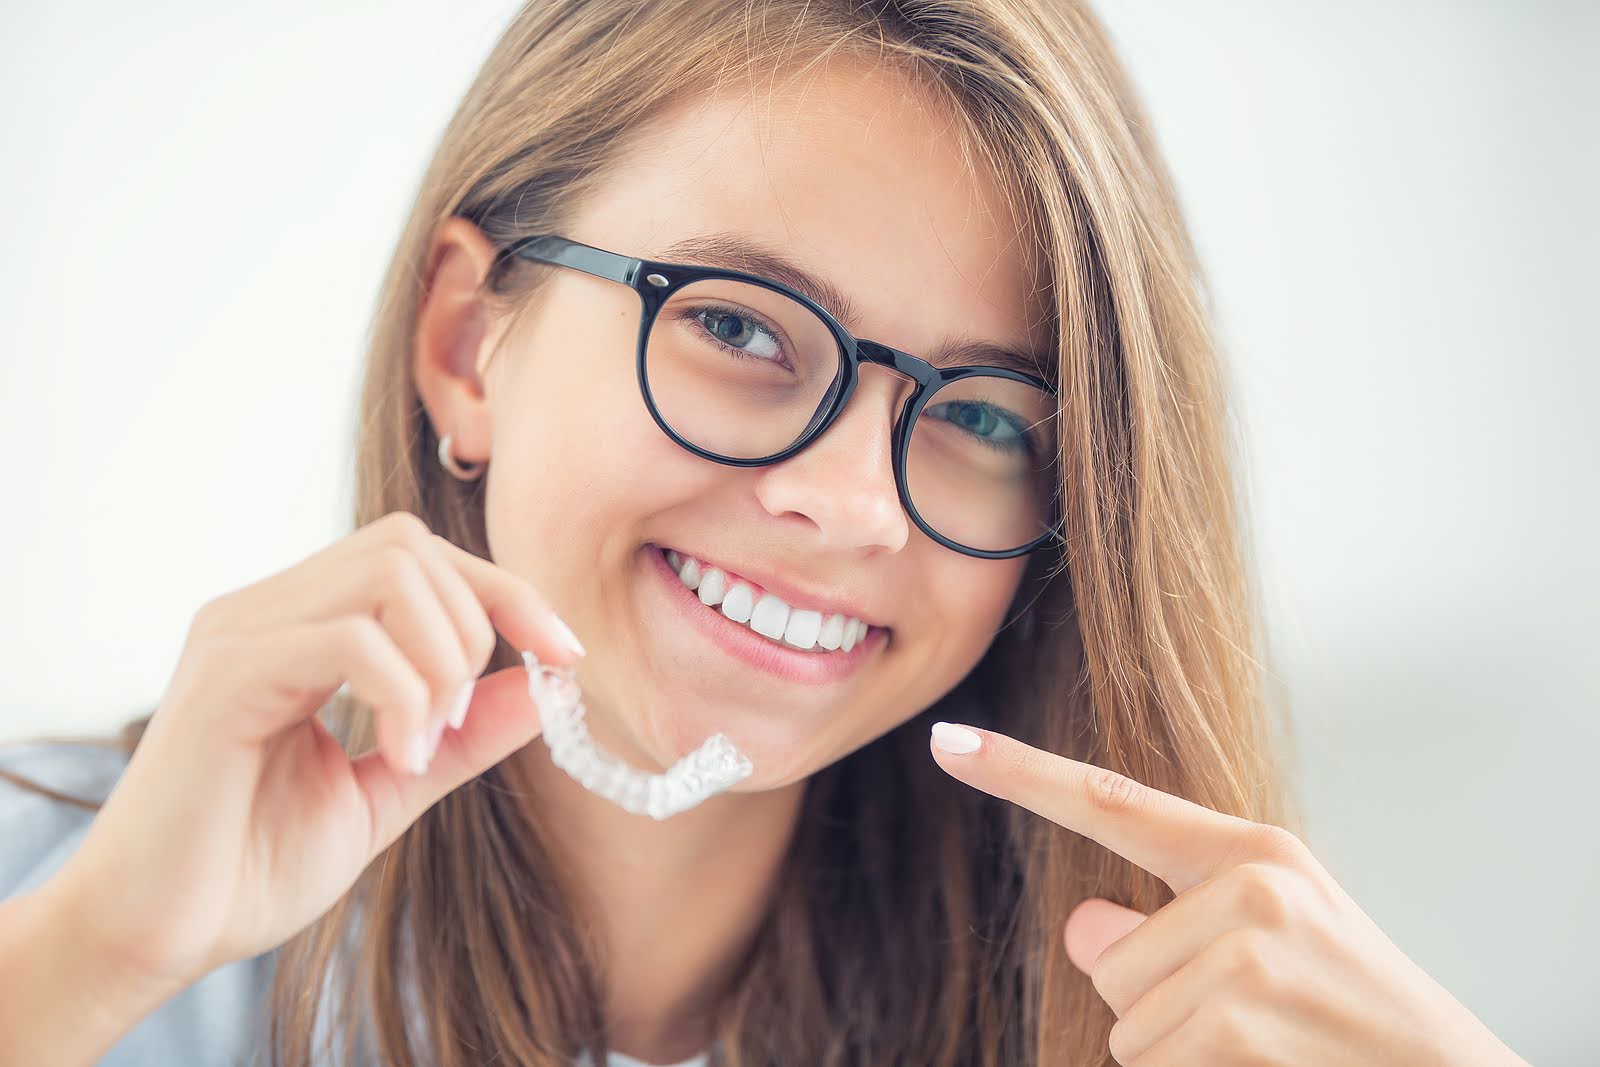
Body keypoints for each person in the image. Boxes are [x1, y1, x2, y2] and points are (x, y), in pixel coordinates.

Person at [0, 1, 1531, 1065]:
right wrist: (92, 957)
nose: (851, 502)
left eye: (990, 419)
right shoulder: (60, 904)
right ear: (469, 346)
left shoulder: (1158, 1025)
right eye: (739, 327)